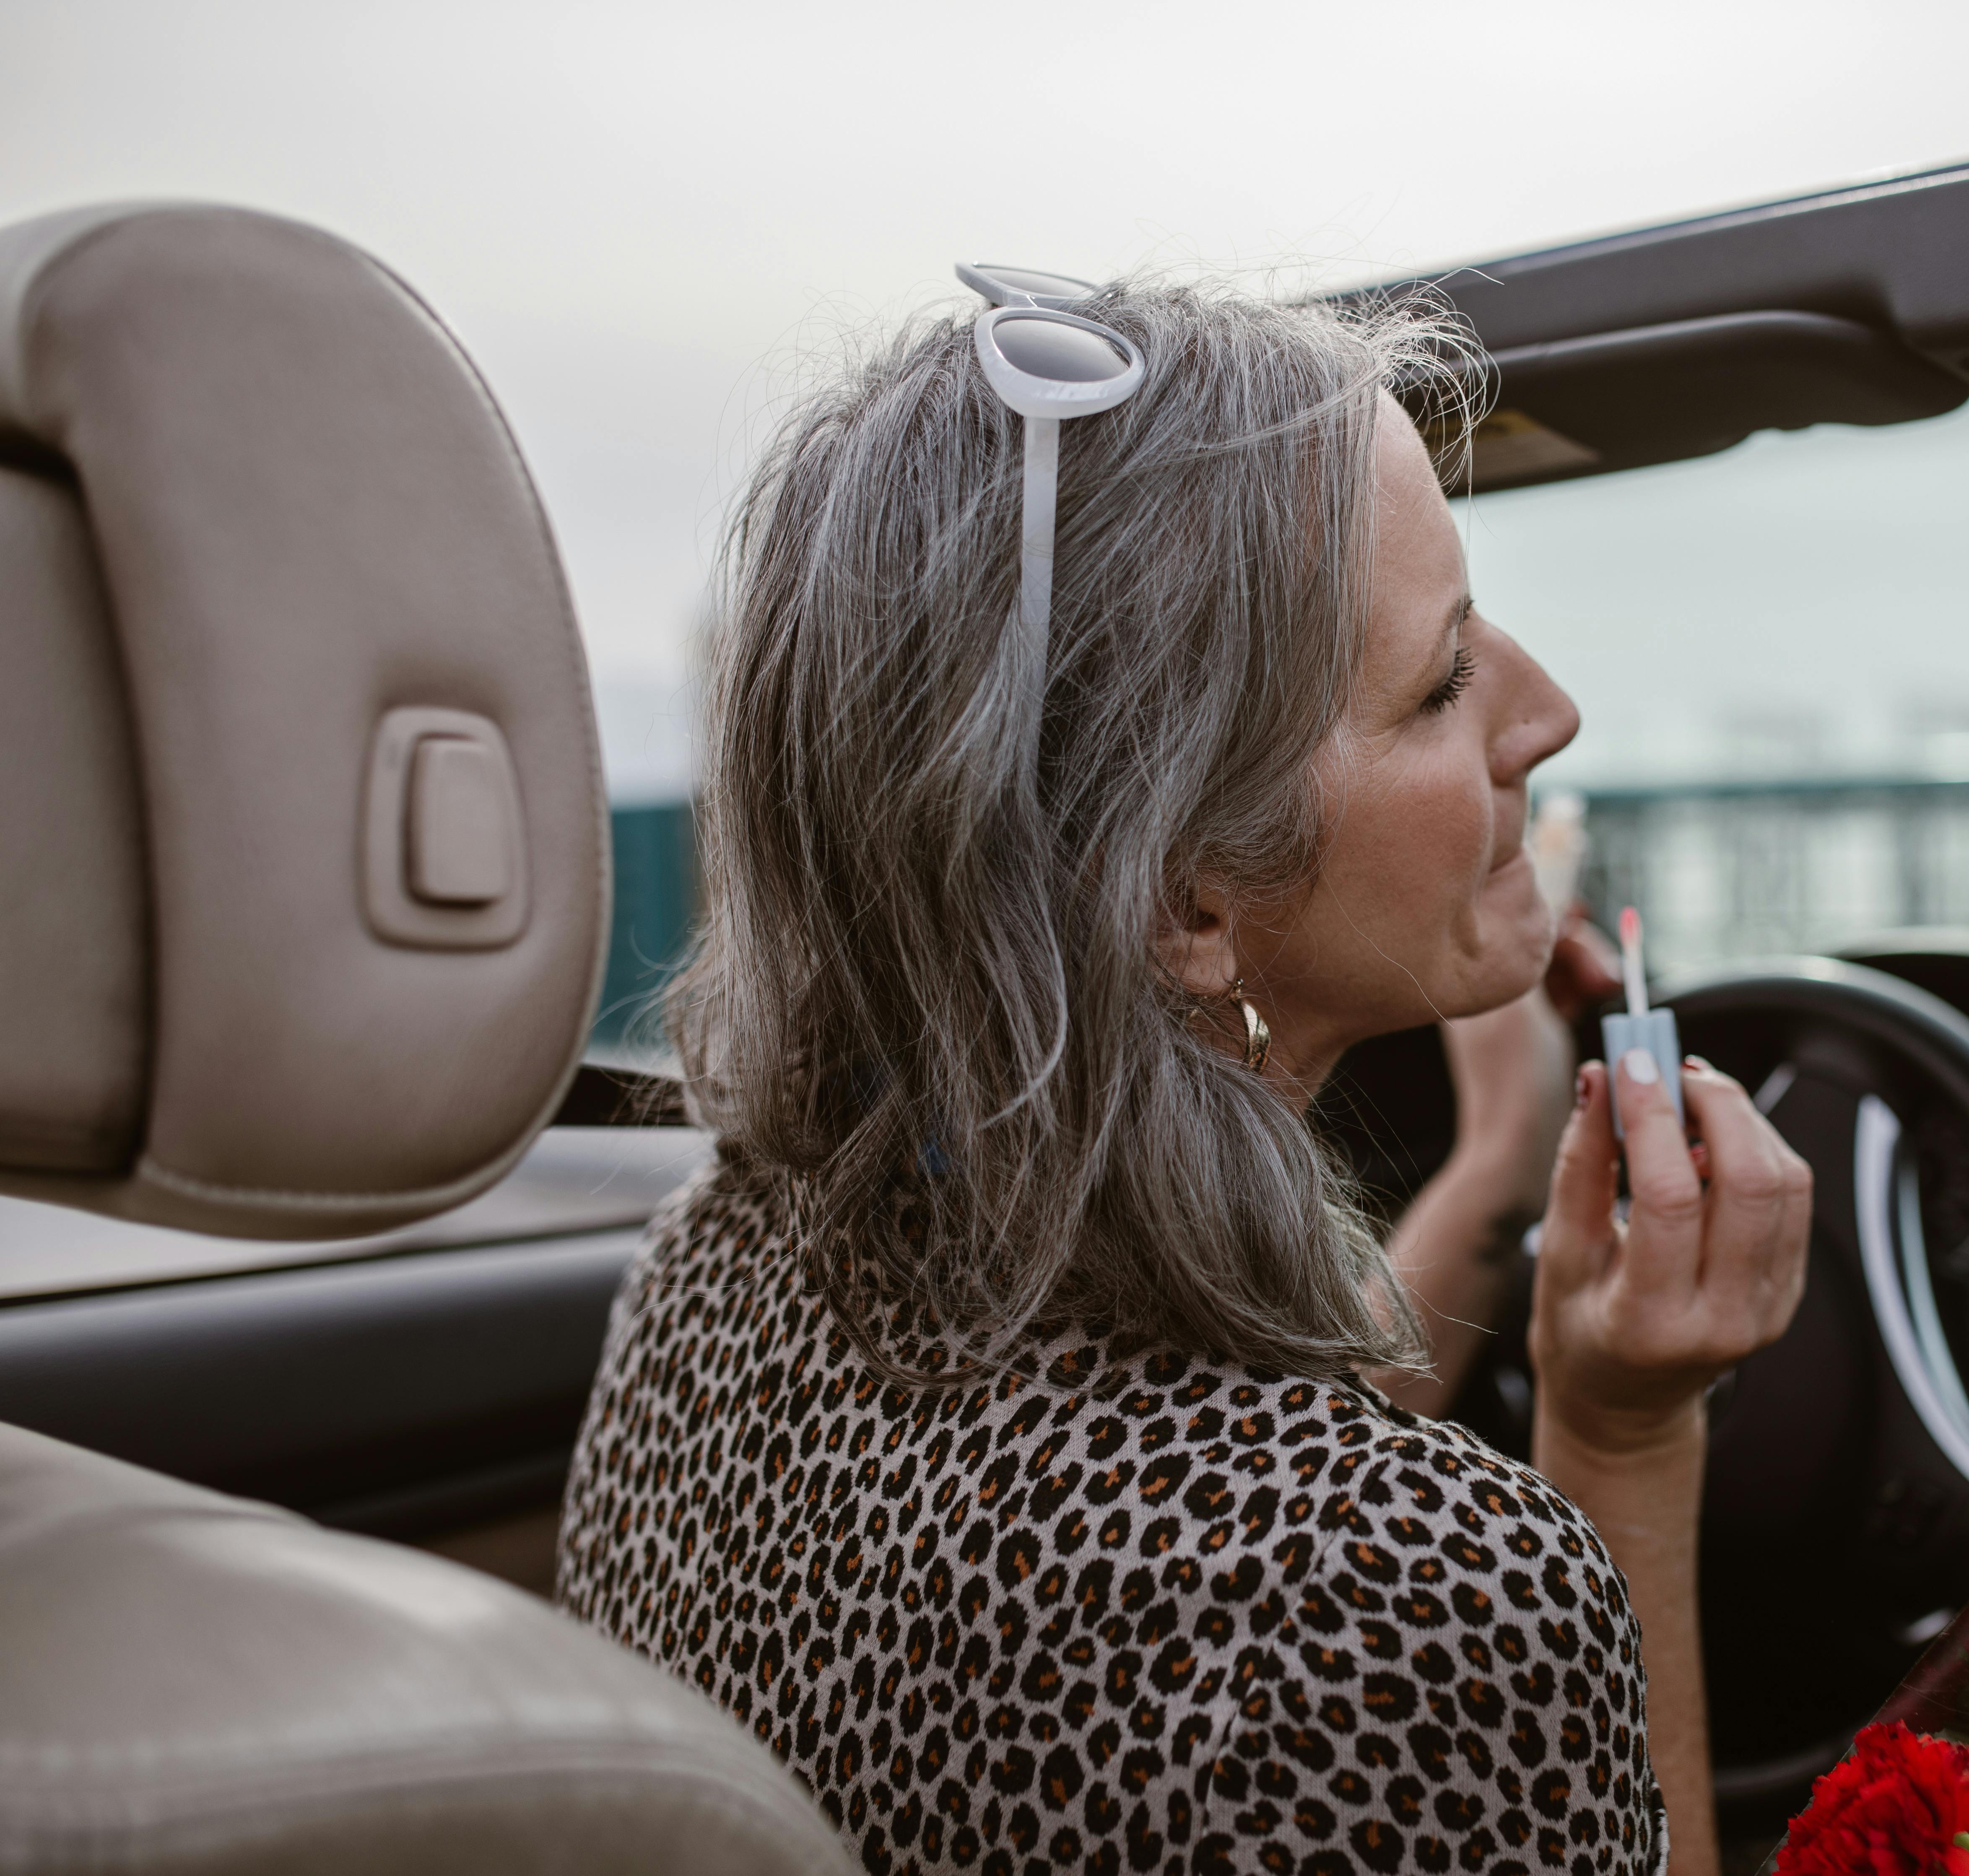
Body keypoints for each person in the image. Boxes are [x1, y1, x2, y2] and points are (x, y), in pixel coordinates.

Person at [557, 279, 1812, 1876]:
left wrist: (1500, 1163)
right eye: (1440, 681)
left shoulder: (720, 1267)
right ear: (1184, 903)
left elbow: (1185, 1451)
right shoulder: (1400, 1602)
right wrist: (1624, 1444)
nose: (1546, 712)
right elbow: (1280, 1537)